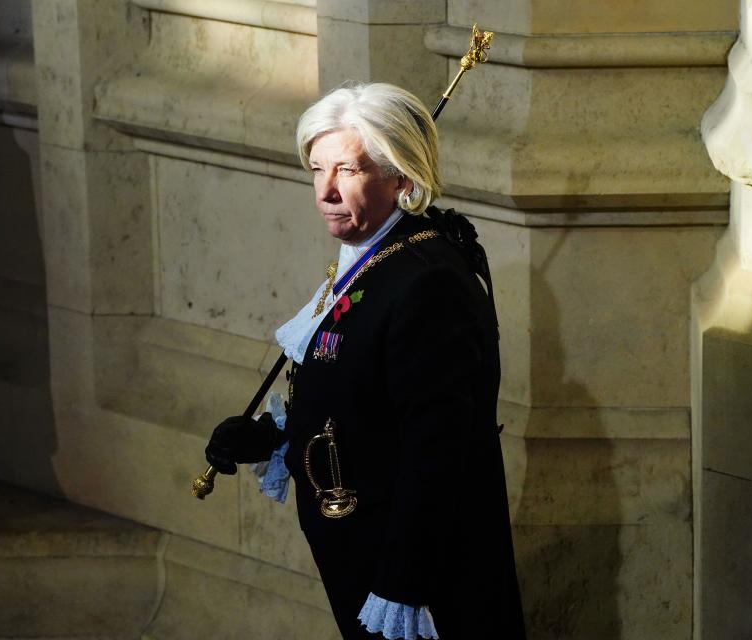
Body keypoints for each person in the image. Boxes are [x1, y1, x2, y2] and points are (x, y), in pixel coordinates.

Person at [204, 83, 526, 640]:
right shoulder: (370, 254)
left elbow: (439, 448)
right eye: (316, 168)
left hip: (418, 582)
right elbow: (360, 395)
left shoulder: (428, 282)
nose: (325, 191)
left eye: (348, 171)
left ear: (401, 178)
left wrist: (402, 585)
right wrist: (274, 438)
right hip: (361, 552)